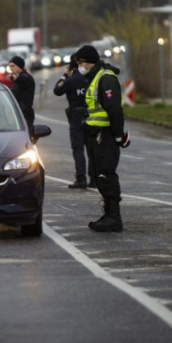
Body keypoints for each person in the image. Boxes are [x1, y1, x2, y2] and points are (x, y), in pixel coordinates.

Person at [76, 45, 131, 233]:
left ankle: (114, 218)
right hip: (95, 133)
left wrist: (118, 136)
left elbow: (114, 109)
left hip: (105, 134)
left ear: (90, 61)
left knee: (106, 174)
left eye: (81, 62)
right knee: (99, 175)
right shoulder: (93, 77)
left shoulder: (105, 78)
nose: (79, 66)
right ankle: (108, 215)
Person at [53, 54, 93, 189]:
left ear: (70, 66)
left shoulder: (71, 80)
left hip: (76, 115)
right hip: (90, 114)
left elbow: (57, 90)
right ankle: (94, 179)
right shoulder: (90, 78)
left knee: (78, 147)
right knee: (91, 147)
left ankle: (81, 178)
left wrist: (64, 75)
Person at [7, 56, 35, 133]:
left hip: (25, 114)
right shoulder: (19, 78)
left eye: (13, 66)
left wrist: (15, 79)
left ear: (19, 66)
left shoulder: (26, 77)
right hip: (17, 113)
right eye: (10, 66)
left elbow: (23, 80)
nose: (11, 68)